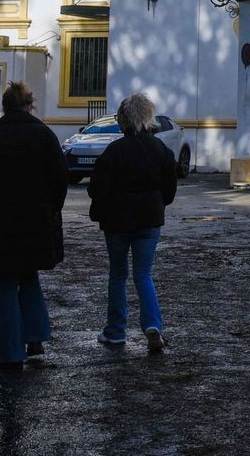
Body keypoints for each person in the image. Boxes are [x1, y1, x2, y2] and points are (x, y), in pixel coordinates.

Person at [0, 82, 66, 371]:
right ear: (29, 105)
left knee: (6, 282)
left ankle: (9, 353)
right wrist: (51, 208)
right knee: (29, 274)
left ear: (4, 106)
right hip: (36, 219)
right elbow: (60, 179)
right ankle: (35, 338)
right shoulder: (44, 135)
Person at [87, 91, 178, 352]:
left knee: (117, 275)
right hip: (149, 220)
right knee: (143, 274)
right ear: (149, 118)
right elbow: (169, 190)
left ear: (123, 120)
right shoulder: (161, 149)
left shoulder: (114, 151)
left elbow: (96, 188)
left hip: (117, 222)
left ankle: (115, 332)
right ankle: (152, 325)